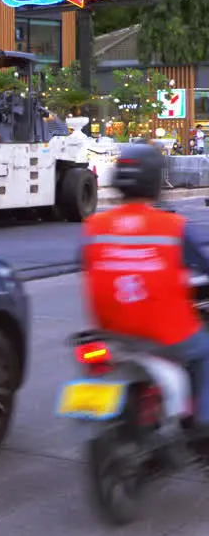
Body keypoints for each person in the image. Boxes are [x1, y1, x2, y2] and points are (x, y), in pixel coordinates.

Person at [80, 142, 209, 440]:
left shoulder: (94, 225)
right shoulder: (174, 226)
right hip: (164, 333)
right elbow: (201, 265)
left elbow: (86, 263)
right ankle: (203, 424)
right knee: (204, 352)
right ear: (155, 181)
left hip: (109, 330)